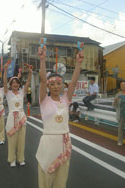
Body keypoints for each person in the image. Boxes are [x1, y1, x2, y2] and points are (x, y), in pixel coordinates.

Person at [36, 45, 84, 188]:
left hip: (64, 143)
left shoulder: (65, 100)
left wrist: (79, 63)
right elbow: (43, 80)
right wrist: (42, 60)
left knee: (61, 180)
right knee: (46, 177)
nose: (56, 86)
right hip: (48, 143)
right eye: (53, 84)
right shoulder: (44, 101)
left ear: (63, 86)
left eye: (59, 84)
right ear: (49, 87)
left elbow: (74, 82)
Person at [4, 62, 32, 167]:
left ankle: (21, 159)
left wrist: (30, 73)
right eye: (13, 83)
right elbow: (4, 81)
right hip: (11, 119)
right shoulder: (8, 93)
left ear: (19, 84)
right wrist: (6, 70)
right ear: (10, 85)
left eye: (17, 83)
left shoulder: (22, 92)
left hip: (21, 118)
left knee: (21, 141)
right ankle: (12, 159)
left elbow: (28, 82)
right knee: (12, 140)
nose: (15, 84)